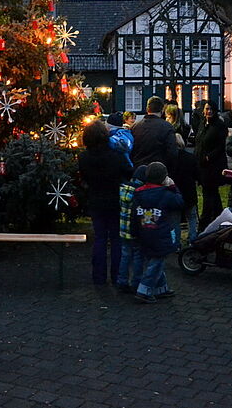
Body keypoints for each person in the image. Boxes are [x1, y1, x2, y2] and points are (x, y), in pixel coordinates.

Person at [78, 120, 133, 286]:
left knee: (100, 238)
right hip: (115, 200)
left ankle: (98, 276)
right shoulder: (116, 155)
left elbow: (84, 178)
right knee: (117, 239)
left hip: (96, 200)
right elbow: (129, 172)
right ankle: (117, 276)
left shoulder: (84, 157)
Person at [131, 162, 183, 303]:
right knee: (157, 262)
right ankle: (144, 290)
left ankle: (161, 288)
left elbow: (134, 215)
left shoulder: (138, 193)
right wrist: (173, 187)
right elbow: (179, 203)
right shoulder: (166, 194)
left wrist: (134, 232)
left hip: (143, 231)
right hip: (160, 234)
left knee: (155, 259)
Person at [195, 101, 229, 227]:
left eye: (210, 109)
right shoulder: (203, 123)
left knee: (209, 191)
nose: (208, 111)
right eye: (207, 109)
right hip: (202, 163)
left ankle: (206, 219)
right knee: (211, 192)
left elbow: (220, 146)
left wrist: (209, 157)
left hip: (213, 165)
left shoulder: (219, 125)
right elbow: (199, 141)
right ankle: (218, 215)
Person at [116, 165, 146, 293]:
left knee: (125, 255)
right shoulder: (140, 192)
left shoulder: (122, 189)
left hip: (123, 229)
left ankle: (122, 280)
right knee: (138, 256)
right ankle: (136, 281)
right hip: (136, 230)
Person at [130, 96, 178, 171]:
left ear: (147, 109)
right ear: (162, 110)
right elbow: (172, 153)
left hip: (138, 168)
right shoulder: (167, 127)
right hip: (158, 169)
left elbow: (130, 149)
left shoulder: (135, 127)